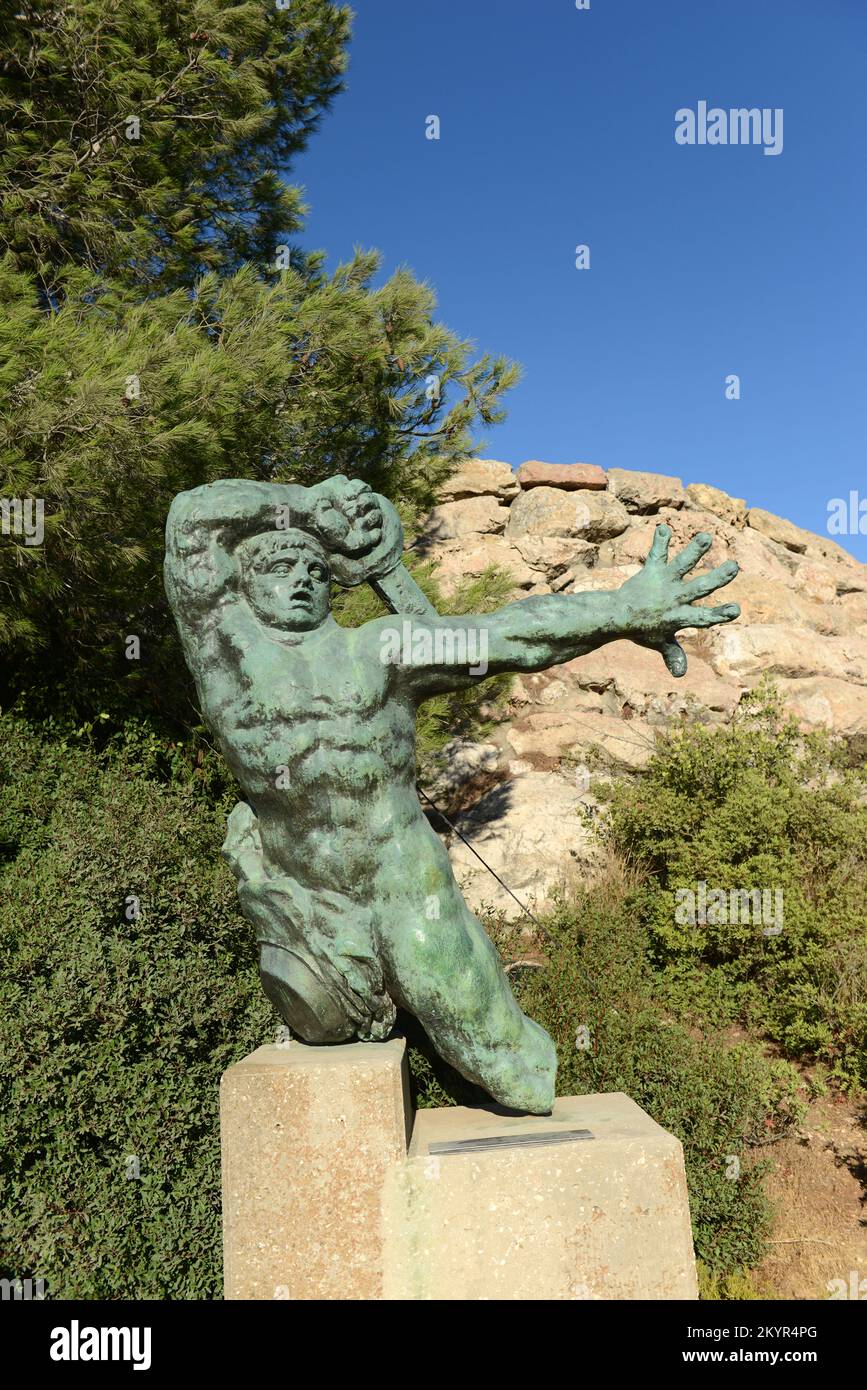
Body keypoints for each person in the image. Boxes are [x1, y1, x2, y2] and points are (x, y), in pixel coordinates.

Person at [164, 473, 740, 1113]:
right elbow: (191, 517)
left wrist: (621, 610)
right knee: (320, 1027)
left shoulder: (380, 651)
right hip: (309, 908)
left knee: (511, 1074)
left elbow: (508, 635)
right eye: (277, 564)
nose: (299, 578)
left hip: (404, 889)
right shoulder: (225, 654)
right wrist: (309, 508)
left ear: (335, 583)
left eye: (315, 568)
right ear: (241, 584)